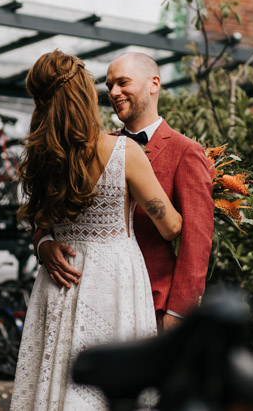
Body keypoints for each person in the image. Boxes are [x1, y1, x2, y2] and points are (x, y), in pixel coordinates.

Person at [11, 50, 182, 410]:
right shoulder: (124, 152)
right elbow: (169, 226)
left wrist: (43, 244)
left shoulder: (40, 157)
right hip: (113, 280)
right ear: (85, 95)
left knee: (58, 378)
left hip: (60, 282)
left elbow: (39, 223)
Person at [35, 52, 214, 331]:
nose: (113, 92)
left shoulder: (186, 152)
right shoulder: (93, 148)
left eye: (122, 83)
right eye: (108, 86)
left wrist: (179, 313)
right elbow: (50, 207)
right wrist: (42, 242)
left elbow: (197, 243)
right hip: (85, 296)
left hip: (153, 304)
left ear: (154, 83)